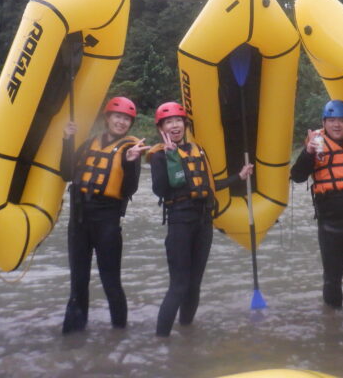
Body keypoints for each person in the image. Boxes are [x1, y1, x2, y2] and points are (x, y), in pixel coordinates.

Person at [148, 101, 253, 337]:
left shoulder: (198, 150)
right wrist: (172, 159)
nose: (174, 125)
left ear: (185, 124)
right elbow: (161, 190)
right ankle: (161, 341)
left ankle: (186, 333)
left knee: (195, 284)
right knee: (179, 285)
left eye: (178, 121)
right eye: (168, 122)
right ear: (161, 129)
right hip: (180, 223)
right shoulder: (159, 157)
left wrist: (239, 176)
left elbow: (210, 185)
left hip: (203, 223)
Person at [60, 96, 150, 334]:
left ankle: (119, 333)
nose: (121, 122)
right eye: (117, 117)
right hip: (79, 220)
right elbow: (66, 172)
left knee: (111, 281)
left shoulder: (131, 148)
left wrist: (131, 163)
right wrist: (67, 141)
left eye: (126, 119)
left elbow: (128, 189)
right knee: (78, 281)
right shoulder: (90, 143)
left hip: (107, 222)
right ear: (107, 118)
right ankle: (73, 335)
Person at [290, 99, 343, 308]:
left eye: (342, 120)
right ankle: (331, 327)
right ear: (324, 122)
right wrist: (308, 152)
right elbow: (298, 176)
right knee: (332, 282)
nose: (337, 125)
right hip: (330, 227)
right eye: (332, 120)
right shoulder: (315, 145)